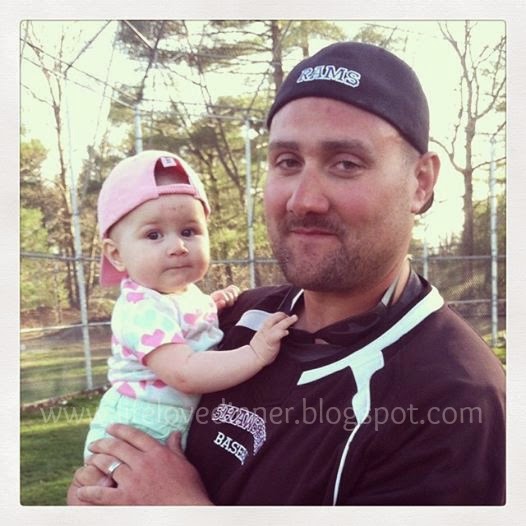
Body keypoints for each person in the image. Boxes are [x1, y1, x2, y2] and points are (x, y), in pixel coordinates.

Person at [69, 41, 505, 505]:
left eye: (346, 163)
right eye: (287, 162)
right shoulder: (237, 319)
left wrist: (183, 510)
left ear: (421, 182)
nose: (303, 200)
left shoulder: (456, 401)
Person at [82, 149, 297, 459]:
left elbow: (182, 325)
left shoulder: (180, 294)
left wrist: (209, 306)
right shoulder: (140, 308)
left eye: (189, 231)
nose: (178, 246)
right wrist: (254, 353)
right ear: (116, 254)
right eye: (154, 235)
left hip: (167, 429)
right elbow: (184, 372)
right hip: (134, 434)